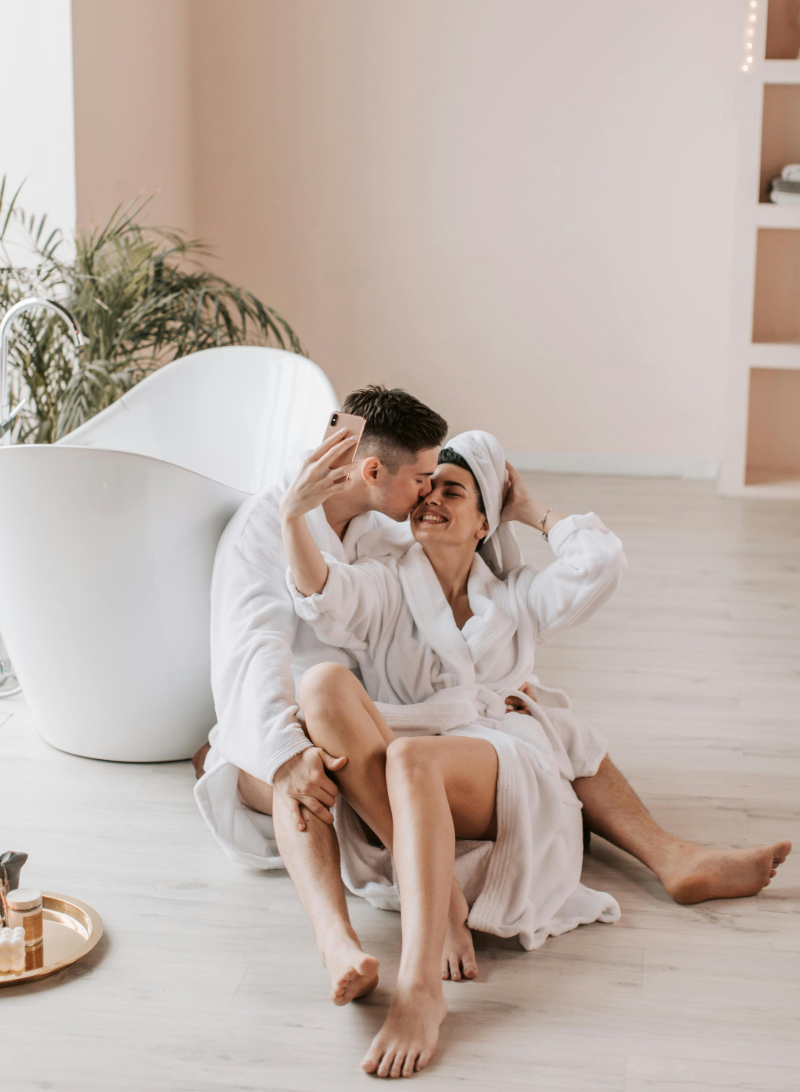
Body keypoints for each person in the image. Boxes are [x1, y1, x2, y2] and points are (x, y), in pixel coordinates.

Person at [193, 387, 792, 1044]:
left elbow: (589, 565)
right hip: (336, 727)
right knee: (324, 696)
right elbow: (296, 623)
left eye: (445, 491)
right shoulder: (346, 551)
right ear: (377, 474)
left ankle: (672, 857)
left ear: (483, 523)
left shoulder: (430, 549)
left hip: (424, 738)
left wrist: (527, 511)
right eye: (425, 484)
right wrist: (282, 749)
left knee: (537, 713)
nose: (427, 499)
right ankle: (355, 935)